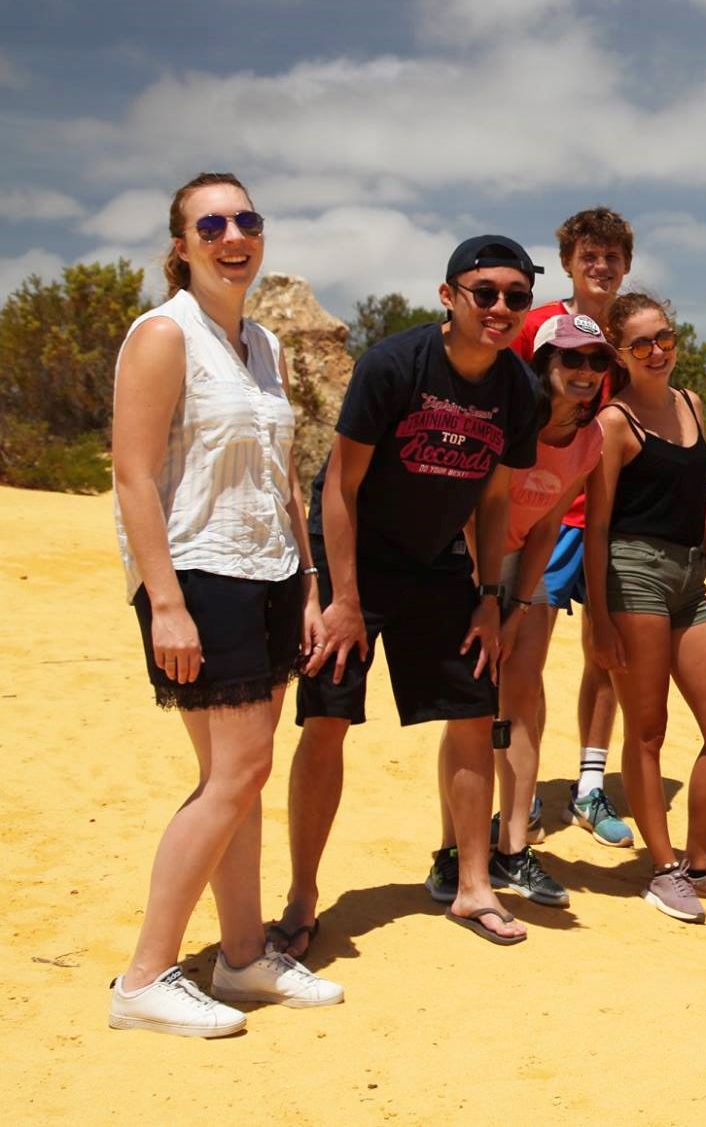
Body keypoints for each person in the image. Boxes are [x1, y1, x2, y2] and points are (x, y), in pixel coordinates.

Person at [107, 173, 343, 1035]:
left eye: (246, 218)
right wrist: (165, 603)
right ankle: (143, 978)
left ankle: (242, 956)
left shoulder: (263, 346)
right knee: (236, 775)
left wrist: (310, 580)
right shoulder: (163, 335)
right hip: (199, 575)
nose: (232, 232)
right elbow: (133, 473)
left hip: (271, 571)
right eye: (211, 222)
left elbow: (283, 470)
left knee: (237, 775)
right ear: (180, 245)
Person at [279, 234, 546, 950]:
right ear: (448, 295)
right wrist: (339, 598)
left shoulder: (519, 388)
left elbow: (494, 503)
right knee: (327, 716)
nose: (499, 307)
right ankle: (303, 895)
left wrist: (490, 595)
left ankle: (473, 884)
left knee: (471, 708)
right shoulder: (395, 364)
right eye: (483, 292)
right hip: (357, 556)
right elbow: (340, 484)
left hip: (437, 560)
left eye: (515, 296)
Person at [584, 292, 706, 923]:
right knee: (648, 729)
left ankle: (701, 859)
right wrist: (600, 619)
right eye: (642, 344)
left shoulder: (691, 405)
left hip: (689, 577)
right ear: (619, 355)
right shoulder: (613, 423)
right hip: (634, 574)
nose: (658, 351)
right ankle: (663, 868)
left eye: (666, 337)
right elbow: (596, 525)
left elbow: (697, 504)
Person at [442, 312, 613, 910]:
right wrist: (487, 597)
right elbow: (476, 509)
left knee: (520, 697)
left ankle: (514, 848)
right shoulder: (512, 420)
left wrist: (516, 606)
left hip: (524, 562)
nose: (586, 372)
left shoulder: (589, 439)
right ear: (545, 365)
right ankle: (452, 851)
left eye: (597, 361)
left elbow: (546, 522)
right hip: (468, 553)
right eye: (572, 359)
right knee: (467, 706)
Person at [511, 206, 636, 849]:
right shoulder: (536, 324)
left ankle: (589, 785)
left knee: (605, 655)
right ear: (567, 261)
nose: (602, 266)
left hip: (608, 515)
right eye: (590, 255)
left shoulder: (633, 335)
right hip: (543, 511)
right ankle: (521, 789)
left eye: (613, 257)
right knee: (523, 658)